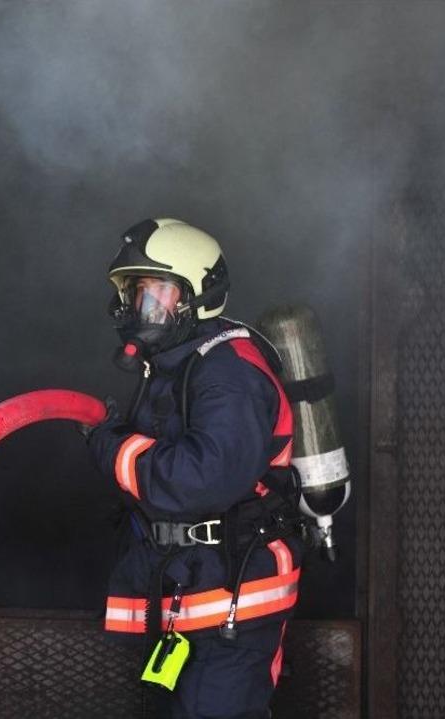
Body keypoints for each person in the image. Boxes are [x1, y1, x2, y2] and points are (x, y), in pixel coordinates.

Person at [86, 218, 306, 718]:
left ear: (197, 295)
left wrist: (111, 448)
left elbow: (199, 481)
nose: (143, 307)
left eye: (158, 291)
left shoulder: (228, 373)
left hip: (233, 600)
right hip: (193, 588)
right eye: (138, 292)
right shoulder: (178, 363)